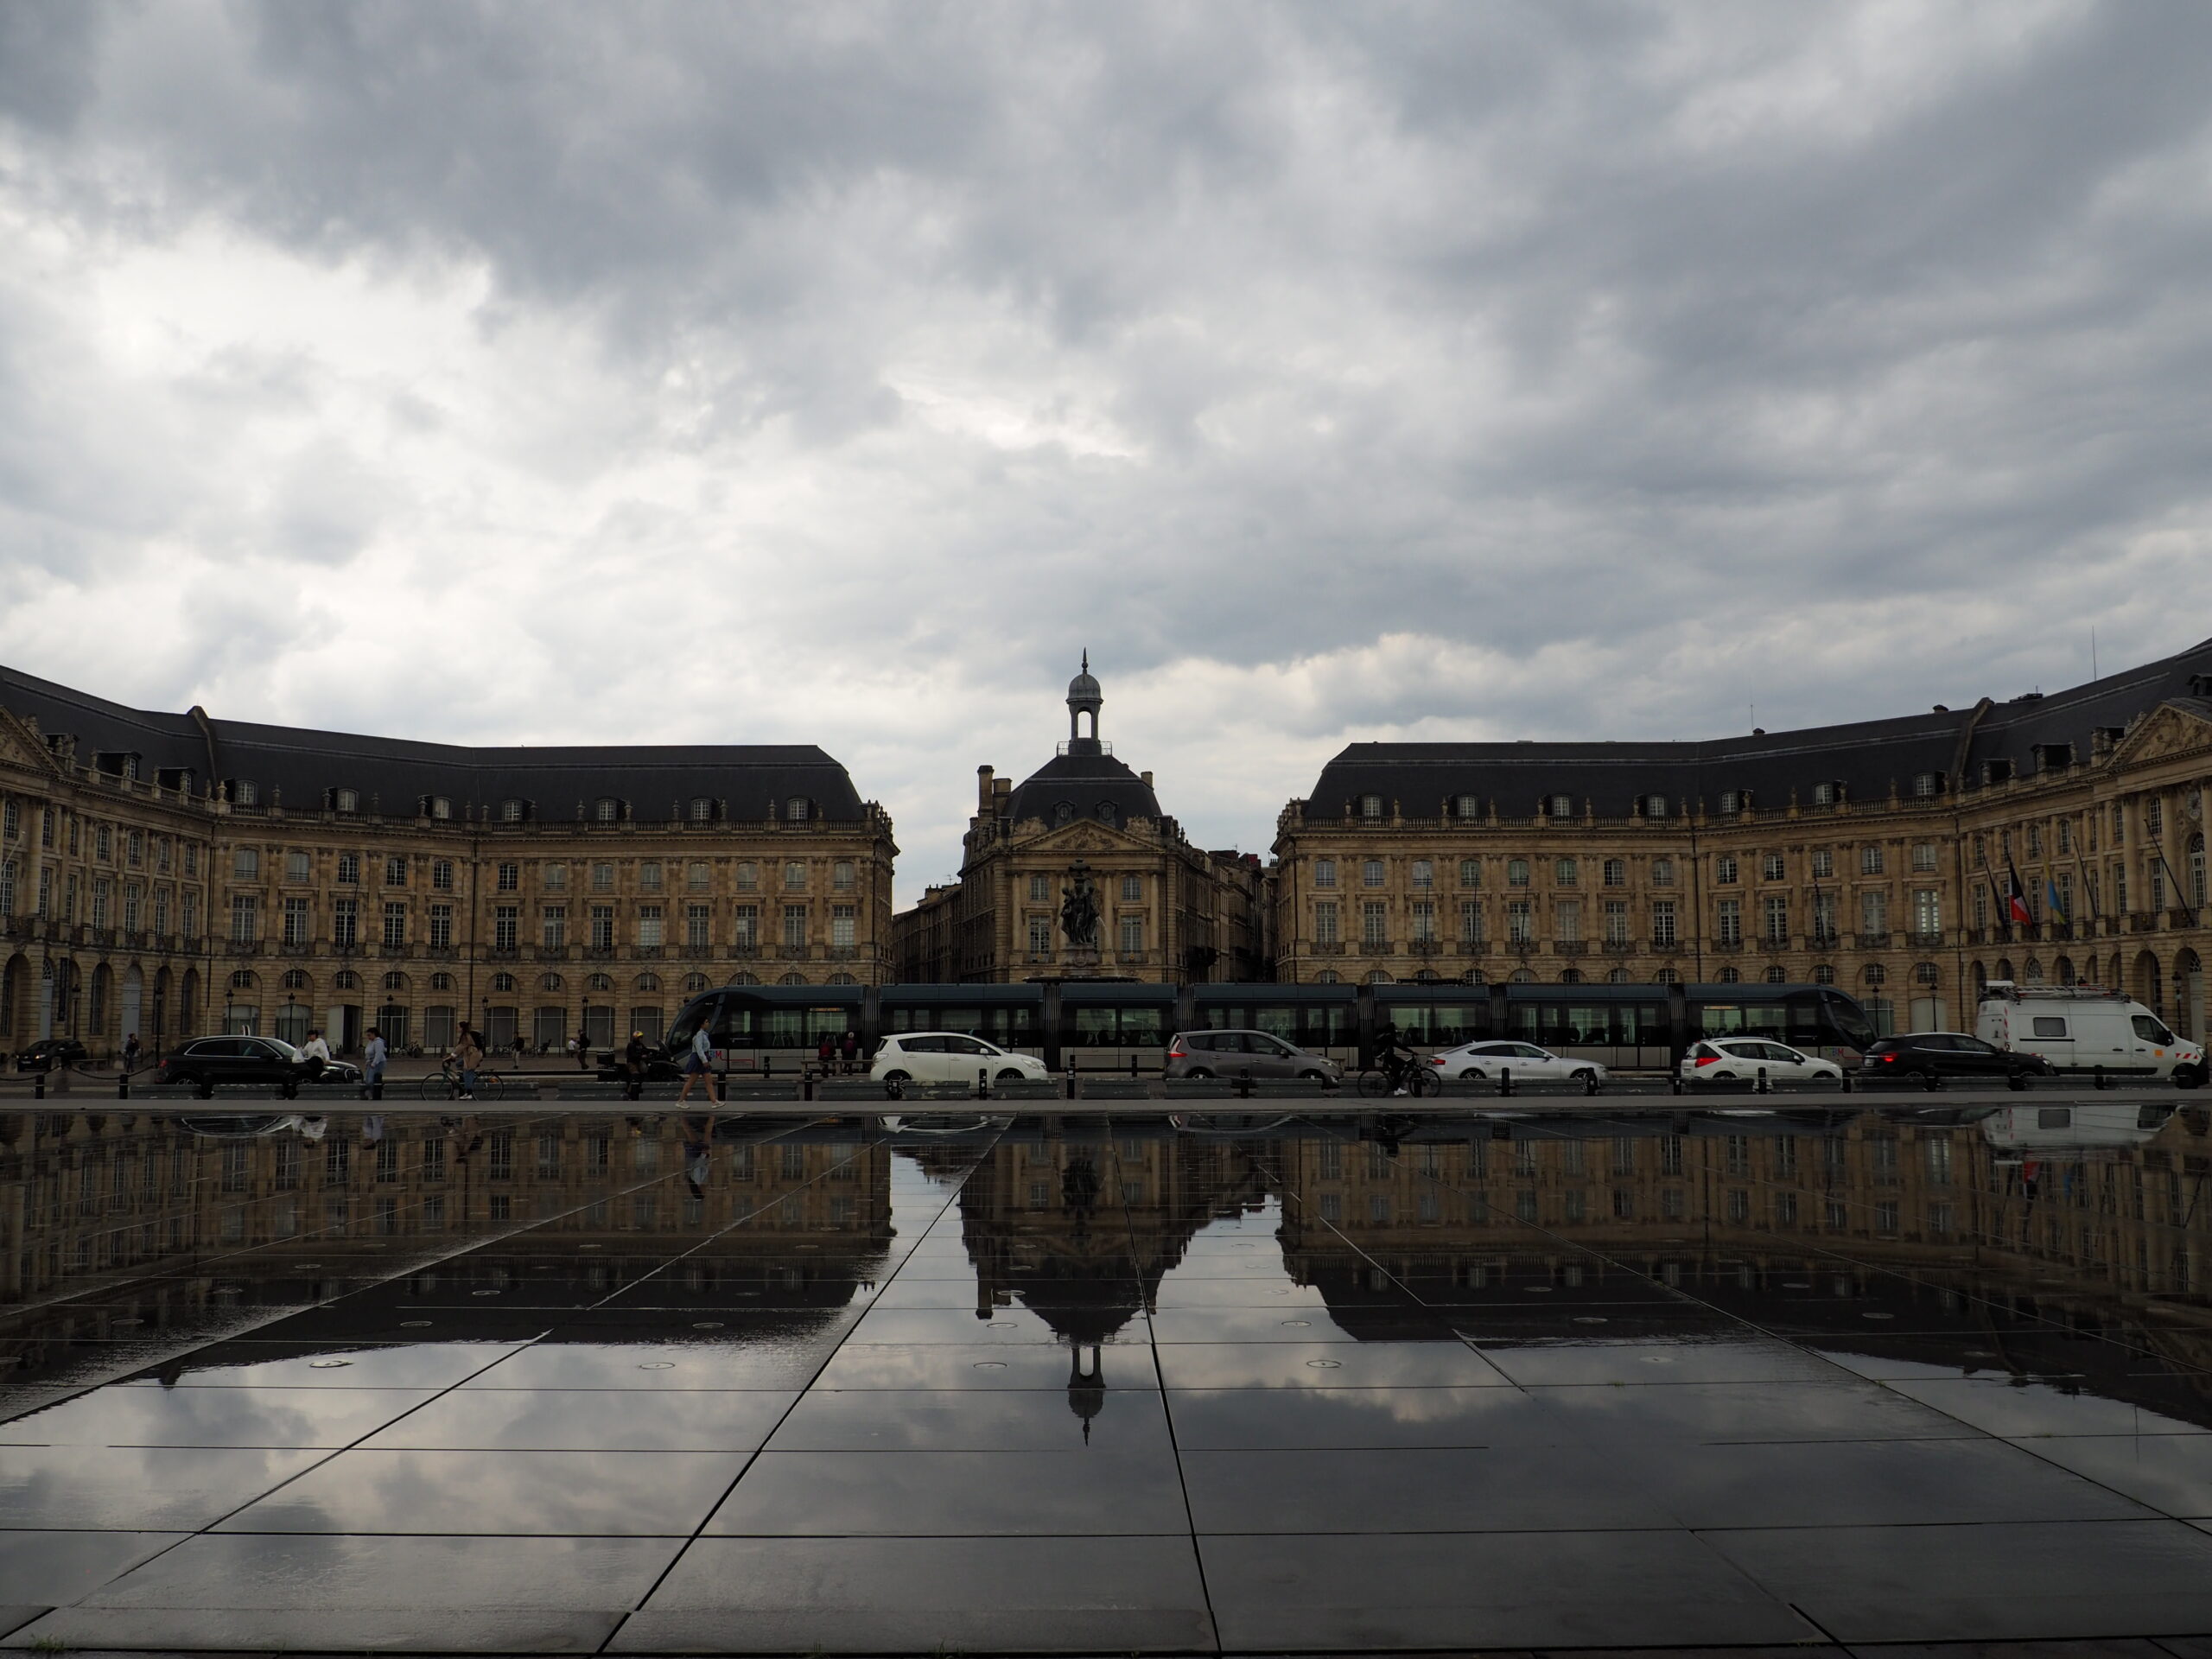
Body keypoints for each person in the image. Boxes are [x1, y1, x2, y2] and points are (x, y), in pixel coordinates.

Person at [677, 1020, 720, 1105]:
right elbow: (699, 1049)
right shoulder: (699, 1035)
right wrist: (704, 1060)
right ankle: (681, 1101)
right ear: (702, 1024)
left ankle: (714, 1102)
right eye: (706, 1022)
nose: (708, 1023)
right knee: (691, 1081)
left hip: (702, 1059)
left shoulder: (703, 1034)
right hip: (698, 1059)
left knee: (709, 1081)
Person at [454, 1026, 484, 1101]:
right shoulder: (467, 1035)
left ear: (462, 1028)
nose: (457, 1029)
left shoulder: (467, 1036)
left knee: (468, 1073)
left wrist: (451, 1056)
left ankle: (469, 1093)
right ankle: (466, 1084)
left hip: (474, 1055)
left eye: (458, 1027)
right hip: (471, 1055)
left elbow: (461, 1047)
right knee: (459, 1064)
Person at [363, 1024, 388, 1101]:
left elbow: (379, 1054)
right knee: (368, 1079)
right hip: (371, 1062)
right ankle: (373, 1093)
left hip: (378, 1063)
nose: (368, 1037)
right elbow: (369, 1052)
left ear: (374, 1034)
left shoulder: (378, 1042)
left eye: (369, 1035)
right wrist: (368, 1061)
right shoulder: (371, 1042)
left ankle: (377, 1092)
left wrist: (374, 1063)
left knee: (372, 1080)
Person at [624, 1028, 649, 1102]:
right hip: (632, 1063)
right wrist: (641, 1056)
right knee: (635, 1075)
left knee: (646, 1070)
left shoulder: (641, 1045)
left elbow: (646, 1050)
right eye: (640, 1038)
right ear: (636, 1038)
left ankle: (642, 1086)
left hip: (639, 1062)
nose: (641, 1039)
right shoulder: (631, 1045)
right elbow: (632, 1055)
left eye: (642, 1037)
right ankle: (631, 1093)